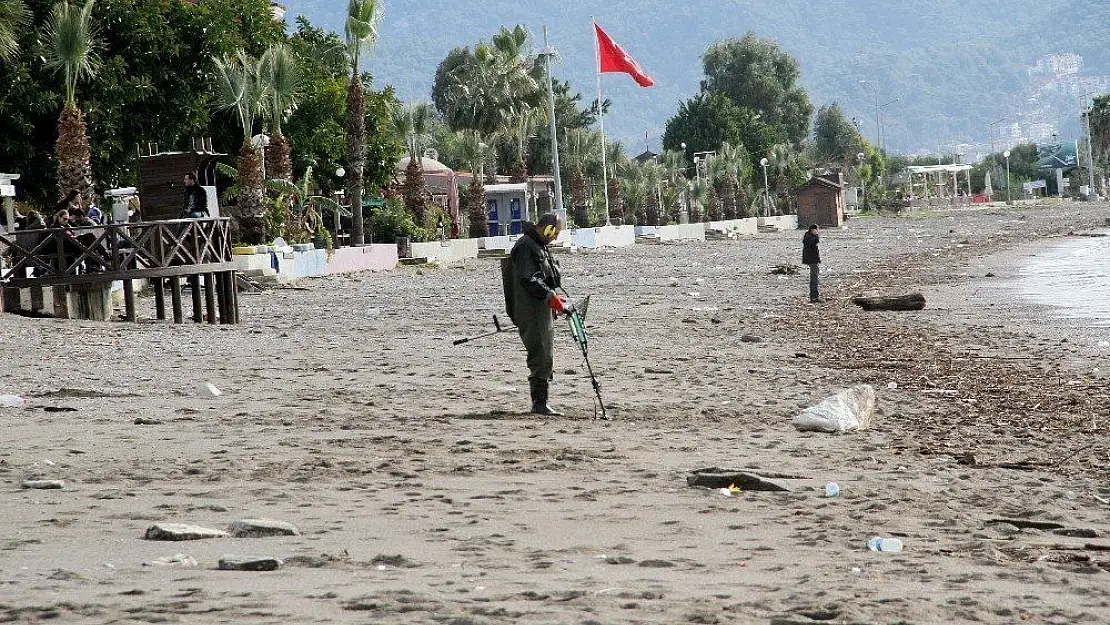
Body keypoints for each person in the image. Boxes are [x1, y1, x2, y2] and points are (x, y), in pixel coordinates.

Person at [503, 213, 567, 416]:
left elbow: (546, 277)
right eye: (554, 232)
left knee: (545, 353)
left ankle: (542, 402)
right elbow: (529, 278)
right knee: (540, 354)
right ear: (546, 228)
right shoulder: (526, 245)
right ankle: (539, 404)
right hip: (531, 310)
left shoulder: (539, 246)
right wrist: (549, 296)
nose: (555, 237)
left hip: (541, 308)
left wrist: (554, 296)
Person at [802, 224, 821, 303]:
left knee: (814, 278)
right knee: (814, 279)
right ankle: (814, 297)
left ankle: (814, 296)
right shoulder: (810, 237)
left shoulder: (807, 236)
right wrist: (817, 236)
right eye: (816, 230)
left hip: (812, 260)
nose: (817, 232)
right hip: (812, 261)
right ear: (812, 230)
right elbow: (815, 242)